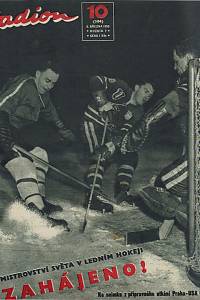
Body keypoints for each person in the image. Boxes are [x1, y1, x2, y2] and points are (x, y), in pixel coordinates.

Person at [117, 39, 200, 286]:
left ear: (187, 57)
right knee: (178, 187)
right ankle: (162, 233)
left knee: (163, 185)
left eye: (176, 62)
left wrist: (141, 127)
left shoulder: (193, 73)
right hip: (193, 152)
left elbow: (173, 101)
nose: (175, 68)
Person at [0, 60, 75, 229]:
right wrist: (3, 134)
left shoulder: (43, 95)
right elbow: (1, 106)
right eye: (47, 80)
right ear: (37, 74)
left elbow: (52, 114)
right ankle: (37, 211)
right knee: (23, 163)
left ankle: (39, 199)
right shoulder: (25, 85)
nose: (50, 86)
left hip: (14, 133)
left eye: (54, 83)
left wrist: (64, 131)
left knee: (40, 154)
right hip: (2, 128)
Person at [83, 75, 154, 213]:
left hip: (111, 133)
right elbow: (95, 80)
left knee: (130, 155)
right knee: (99, 155)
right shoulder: (121, 87)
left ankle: (122, 192)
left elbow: (124, 133)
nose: (147, 96)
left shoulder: (138, 112)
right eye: (146, 91)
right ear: (137, 87)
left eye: (150, 96)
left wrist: (112, 145)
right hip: (93, 122)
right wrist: (102, 102)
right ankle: (92, 196)